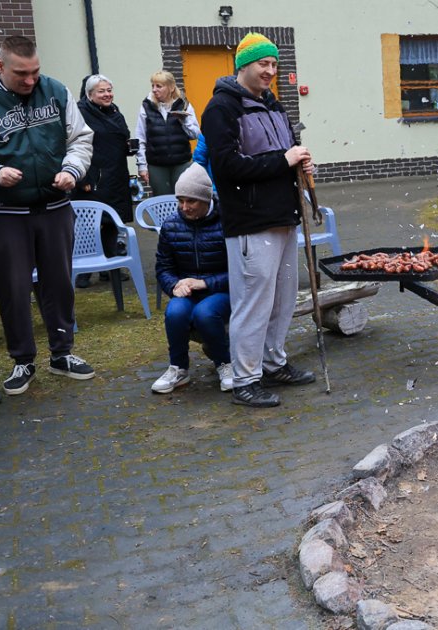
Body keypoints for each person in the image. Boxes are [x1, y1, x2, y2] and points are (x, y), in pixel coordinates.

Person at [0, 35, 96, 396]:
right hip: (3, 211)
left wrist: (72, 170)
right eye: (21, 74)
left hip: (55, 206)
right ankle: (22, 359)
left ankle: (62, 353)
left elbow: (80, 138)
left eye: (35, 72)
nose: (30, 81)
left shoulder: (56, 90)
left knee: (60, 283)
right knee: (12, 288)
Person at [202, 32, 315, 408]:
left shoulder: (274, 106)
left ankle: (273, 363)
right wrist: (283, 161)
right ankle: (245, 380)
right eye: (262, 64)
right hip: (251, 222)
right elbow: (227, 167)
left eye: (273, 64)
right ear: (243, 66)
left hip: (284, 217)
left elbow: (282, 155)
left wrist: (299, 162)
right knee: (252, 303)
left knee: (282, 300)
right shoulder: (221, 109)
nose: (269, 71)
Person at [151, 163, 232, 394]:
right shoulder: (171, 225)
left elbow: (240, 268)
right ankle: (178, 368)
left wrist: (205, 283)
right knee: (175, 312)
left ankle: (225, 364)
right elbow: (163, 267)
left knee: (205, 313)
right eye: (180, 201)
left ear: (206, 200)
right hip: (187, 291)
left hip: (223, 290)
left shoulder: (226, 221)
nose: (184, 207)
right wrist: (173, 285)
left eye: (191, 201)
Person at [73, 74, 134, 288]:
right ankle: (84, 271)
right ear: (90, 94)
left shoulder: (115, 111)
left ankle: (111, 269)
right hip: (93, 177)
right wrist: (82, 178)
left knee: (110, 223)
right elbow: (72, 147)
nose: (107, 94)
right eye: (102, 91)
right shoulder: (79, 113)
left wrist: (128, 147)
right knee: (88, 225)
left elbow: (120, 136)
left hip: (116, 175)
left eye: (109, 90)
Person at [136, 70, 199, 196]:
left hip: (182, 162)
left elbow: (195, 134)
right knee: (162, 201)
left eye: (159, 86)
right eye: (153, 86)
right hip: (157, 165)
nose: (154, 90)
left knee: (183, 198)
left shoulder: (183, 105)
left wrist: (184, 120)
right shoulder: (146, 106)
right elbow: (140, 138)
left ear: (170, 88)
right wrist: (142, 166)